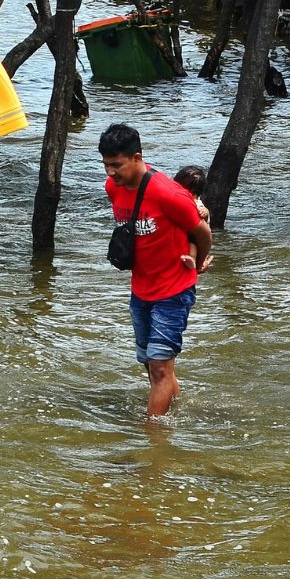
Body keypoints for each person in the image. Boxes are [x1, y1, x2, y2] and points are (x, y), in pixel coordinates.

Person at [100, 124, 211, 419]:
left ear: (137, 158)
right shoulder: (114, 188)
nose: (111, 172)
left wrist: (196, 265)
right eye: (106, 165)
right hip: (141, 288)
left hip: (174, 290)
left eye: (117, 165)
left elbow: (203, 232)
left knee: (160, 366)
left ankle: (153, 441)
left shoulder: (169, 194)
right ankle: (177, 409)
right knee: (151, 365)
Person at [173, 164, 211, 272]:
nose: (188, 195)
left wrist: (205, 212)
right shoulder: (171, 199)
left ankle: (192, 260)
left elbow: (205, 220)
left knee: (193, 243)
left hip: (193, 236)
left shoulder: (198, 204)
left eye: (192, 193)